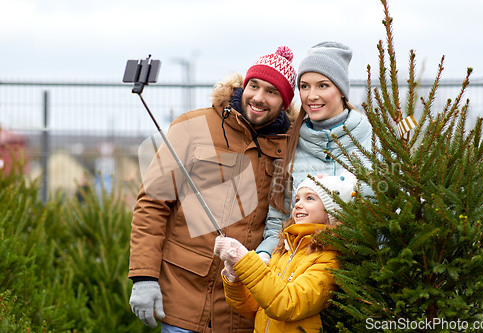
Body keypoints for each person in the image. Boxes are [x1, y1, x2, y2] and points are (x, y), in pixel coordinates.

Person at [128, 46, 298, 333]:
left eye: (271, 92)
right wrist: (144, 277)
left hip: (244, 306)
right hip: (184, 298)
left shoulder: (289, 147)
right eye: (253, 86)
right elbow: (152, 203)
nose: (258, 97)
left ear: (284, 102)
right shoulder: (193, 127)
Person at [213, 173, 357, 332]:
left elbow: (286, 304)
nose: (298, 205)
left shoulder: (328, 260)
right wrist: (235, 279)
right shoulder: (283, 251)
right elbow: (252, 307)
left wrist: (244, 260)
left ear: (332, 213)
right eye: (297, 199)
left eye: (309, 198)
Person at [265, 41, 372, 246]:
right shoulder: (290, 145)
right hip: (306, 271)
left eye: (323, 85)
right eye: (305, 86)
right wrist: (264, 256)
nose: (311, 96)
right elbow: (277, 223)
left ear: (341, 90)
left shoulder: (375, 139)